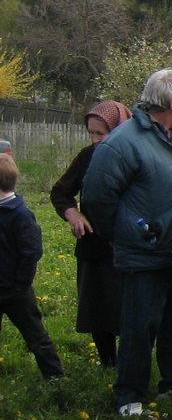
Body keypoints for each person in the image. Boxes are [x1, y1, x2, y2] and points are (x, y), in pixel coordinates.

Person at [81, 69, 172, 417]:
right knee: (139, 326)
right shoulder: (123, 142)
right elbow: (97, 197)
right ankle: (129, 395)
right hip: (144, 253)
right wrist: (125, 234)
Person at [49, 100, 132, 367]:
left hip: (128, 244)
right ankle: (108, 362)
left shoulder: (134, 157)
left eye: (101, 133)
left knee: (130, 308)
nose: (95, 140)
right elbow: (61, 192)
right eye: (91, 133)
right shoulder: (87, 156)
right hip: (94, 246)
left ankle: (132, 361)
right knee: (98, 307)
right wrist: (73, 214)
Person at [0, 154, 64, 381]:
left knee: (36, 336)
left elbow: (31, 252)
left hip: (17, 291)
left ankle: (55, 376)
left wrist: (21, 284)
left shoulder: (21, 215)